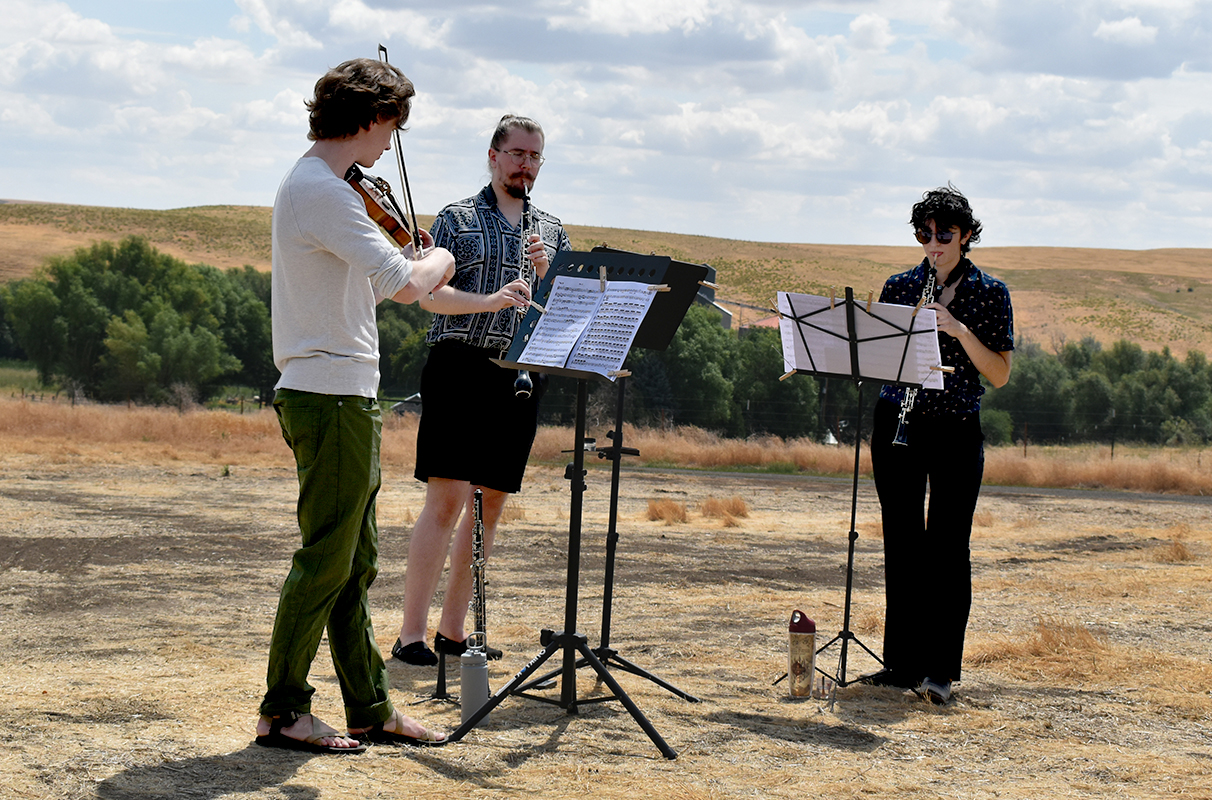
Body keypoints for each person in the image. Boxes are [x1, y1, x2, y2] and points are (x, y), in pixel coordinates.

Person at [255, 58, 455, 753]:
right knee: (326, 559)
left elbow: (357, 294)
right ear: (373, 117)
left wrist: (409, 262)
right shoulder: (324, 190)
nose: (388, 145)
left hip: (343, 391)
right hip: (328, 394)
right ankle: (282, 711)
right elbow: (406, 284)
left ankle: (370, 705)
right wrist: (441, 260)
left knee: (353, 560)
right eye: (392, 125)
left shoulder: (324, 188)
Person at [391, 114, 572, 666]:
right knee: (446, 501)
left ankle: (454, 631)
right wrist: (488, 300)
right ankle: (411, 635)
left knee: (490, 503)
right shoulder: (457, 218)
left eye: (535, 156)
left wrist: (547, 278)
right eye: (517, 154)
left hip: (519, 375)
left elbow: (561, 315)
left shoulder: (553, 230)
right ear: (492, 156)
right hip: (459, 366)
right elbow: (429, 298)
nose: (526, 165)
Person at [866, 186, 1014, 705]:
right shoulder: (900, 285)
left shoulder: (990, 293)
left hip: (954, 429)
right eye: (924, 235)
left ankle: (940, 673)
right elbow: (879, 361)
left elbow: (998, 374)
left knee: (948, 548)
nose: (933, 244)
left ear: (966, 235)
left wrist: (956, 329)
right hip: (897, 422)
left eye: (944, 235)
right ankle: (900, 665)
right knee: (902, 543)